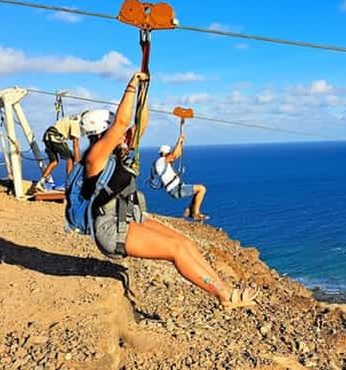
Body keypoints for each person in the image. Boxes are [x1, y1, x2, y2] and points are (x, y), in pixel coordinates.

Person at [78, 71, 256, 308]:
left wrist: (144, 90)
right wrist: (131, 86)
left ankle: (225, 288)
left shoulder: (117, 152)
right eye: (114, 130)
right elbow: (121, 123)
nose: (122, 134)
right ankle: (225, 296)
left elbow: (140, 124)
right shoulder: (95, 158)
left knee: (185, 242)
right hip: (111, 229)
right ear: (103, 131)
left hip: (129, 218)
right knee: (176, 249)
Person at [154, 137, 210, 221]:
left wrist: (180, 144)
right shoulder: (161, 161)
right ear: (164, 153)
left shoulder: (163, 162)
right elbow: (173, 156)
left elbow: (177, 155)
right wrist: (178, 142)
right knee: (201, 189)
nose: (169, 154)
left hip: (177, 188)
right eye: (168, 153)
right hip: (175, 189)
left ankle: (190, 210)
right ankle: (195, 214)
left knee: (198, 191)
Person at [35, 114, 81, 192]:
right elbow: (75, 144)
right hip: (55, 137)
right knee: (70, 158)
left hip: (47, 137)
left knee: (54, 162)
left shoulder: (71, 119)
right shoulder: (76, 123)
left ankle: (41, 182)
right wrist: (77, 163)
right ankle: (69, 184)